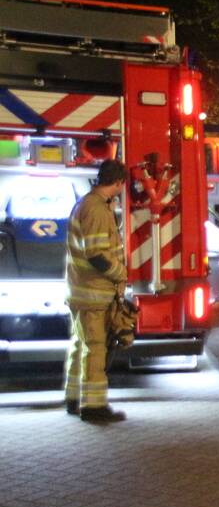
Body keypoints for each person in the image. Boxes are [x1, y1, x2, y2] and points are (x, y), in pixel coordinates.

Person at [64, 159, 128, 423]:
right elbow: (97, 255)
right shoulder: (96, 209)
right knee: (95, 347)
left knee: (81, 344)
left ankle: (74, 397)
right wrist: (121, 273)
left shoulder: (87, 204)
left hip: (82, 290)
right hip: (93, 292)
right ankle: (93, 406)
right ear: (118, 183)